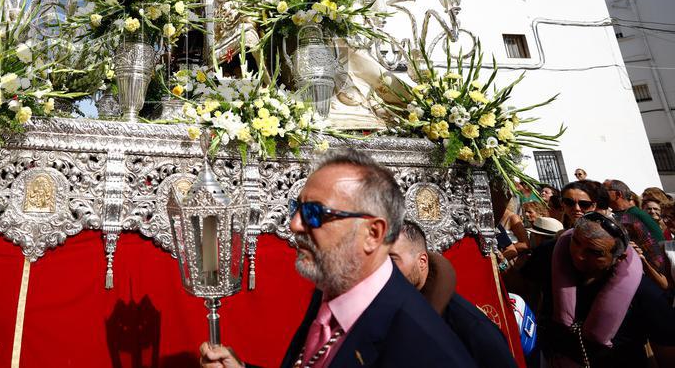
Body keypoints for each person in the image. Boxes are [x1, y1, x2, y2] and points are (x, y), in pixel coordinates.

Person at [199, 149, 475, 367]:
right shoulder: (333, 289)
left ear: (373, 233)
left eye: (315, 213)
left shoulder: (422, 350)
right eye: (298, 208)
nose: (295, 224)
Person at [521, 212, 675, 365]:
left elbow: (667, 355)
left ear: (619, 258)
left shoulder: (645, 294)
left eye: (594, 252)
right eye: (576, 242)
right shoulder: (549, 256)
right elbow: (522, 291)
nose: (579, 255)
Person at [389, 220, 515, 368]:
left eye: (392, 259)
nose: (383, 268)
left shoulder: (473, 328)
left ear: (422, 261)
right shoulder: (387, 308)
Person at [603, 179, 669, 291]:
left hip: (655, 278)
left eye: (604, 191)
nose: (601, 194)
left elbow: (659, 246)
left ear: (618, 194)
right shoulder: (621, 215)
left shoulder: (635, 215)